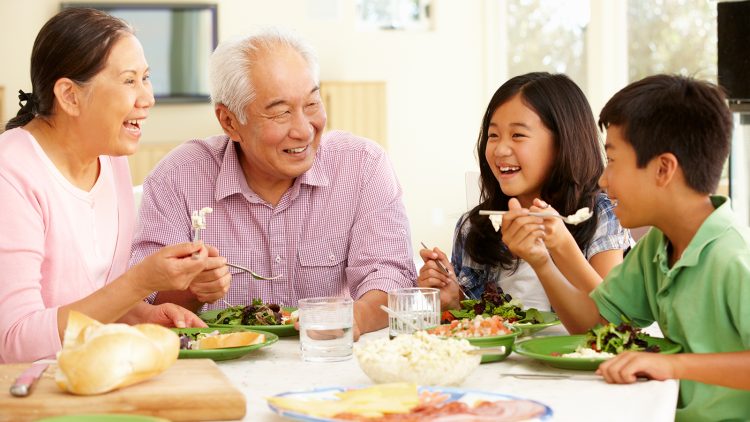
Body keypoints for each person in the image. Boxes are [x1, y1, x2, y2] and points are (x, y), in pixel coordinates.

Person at [130, 27, 417, 339]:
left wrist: (354, 318)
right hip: (221, 369)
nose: (304, 130)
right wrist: (194, 292)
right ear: (229, 121)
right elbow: (143, 308)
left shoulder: (362, 165)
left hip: (329, 358)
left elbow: (391, 277)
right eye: (281, 113)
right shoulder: (178, 178)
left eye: (312, 104)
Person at [0, 8, 210, 364]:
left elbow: (88, 299)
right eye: (129, 81)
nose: (148, 98)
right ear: (69, 95)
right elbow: (14, 343)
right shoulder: (11, 174)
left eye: (146, 78)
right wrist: (140, 283)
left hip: (87, 380)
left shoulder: (111, 161)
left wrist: (140, 315)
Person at [535, 74, 750, 420]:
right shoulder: (657, 247)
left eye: (613, 161)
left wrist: (672, 365)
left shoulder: (734, 255)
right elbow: (597, 324)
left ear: (663, 169)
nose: (603, 180)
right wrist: (540, 261)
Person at [417, 72, 632, 312]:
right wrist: (453, 301)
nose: (500, 150)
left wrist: (558, 249)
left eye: (517, 135)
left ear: (563, 142)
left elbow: (612, 317)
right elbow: (479, 325)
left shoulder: (598, 214)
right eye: (493, 135)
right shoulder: (474, 227)